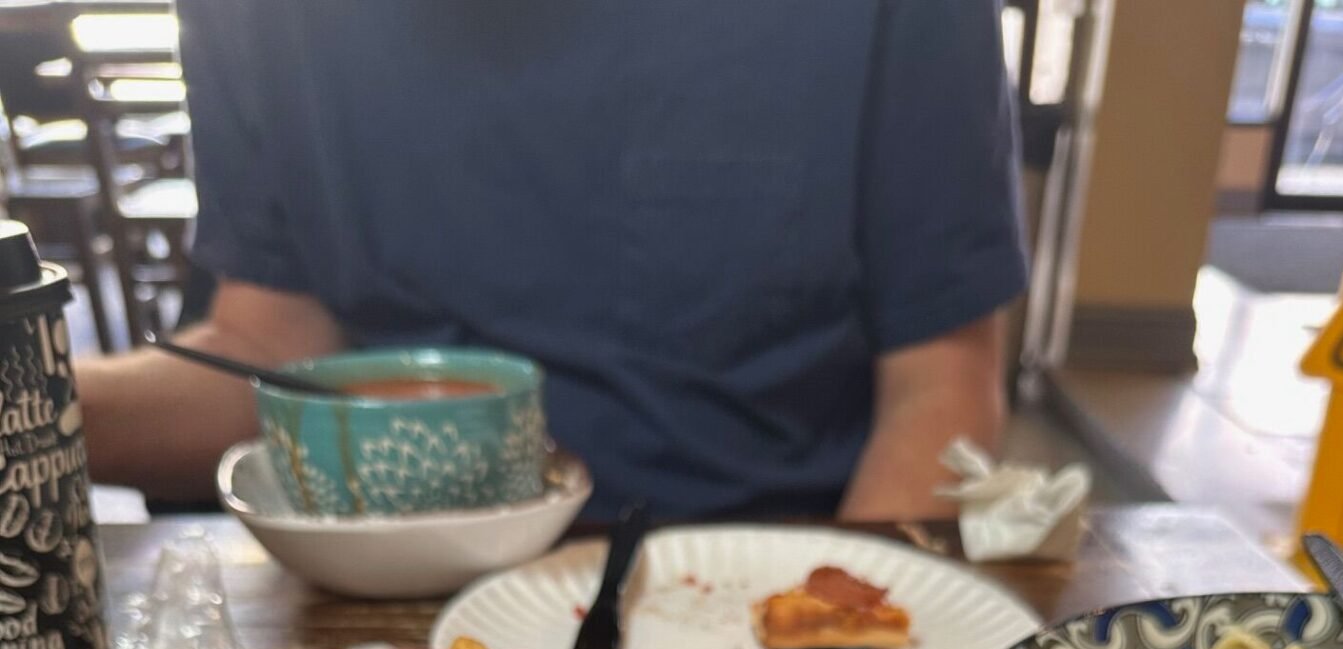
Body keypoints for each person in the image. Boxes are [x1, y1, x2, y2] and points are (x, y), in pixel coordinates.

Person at [79, 0, 1027, 521]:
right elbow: (272, 353)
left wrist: (825, 645)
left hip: (751, 590)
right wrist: (36, 412)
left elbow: (941, 384)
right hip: (374, 608)